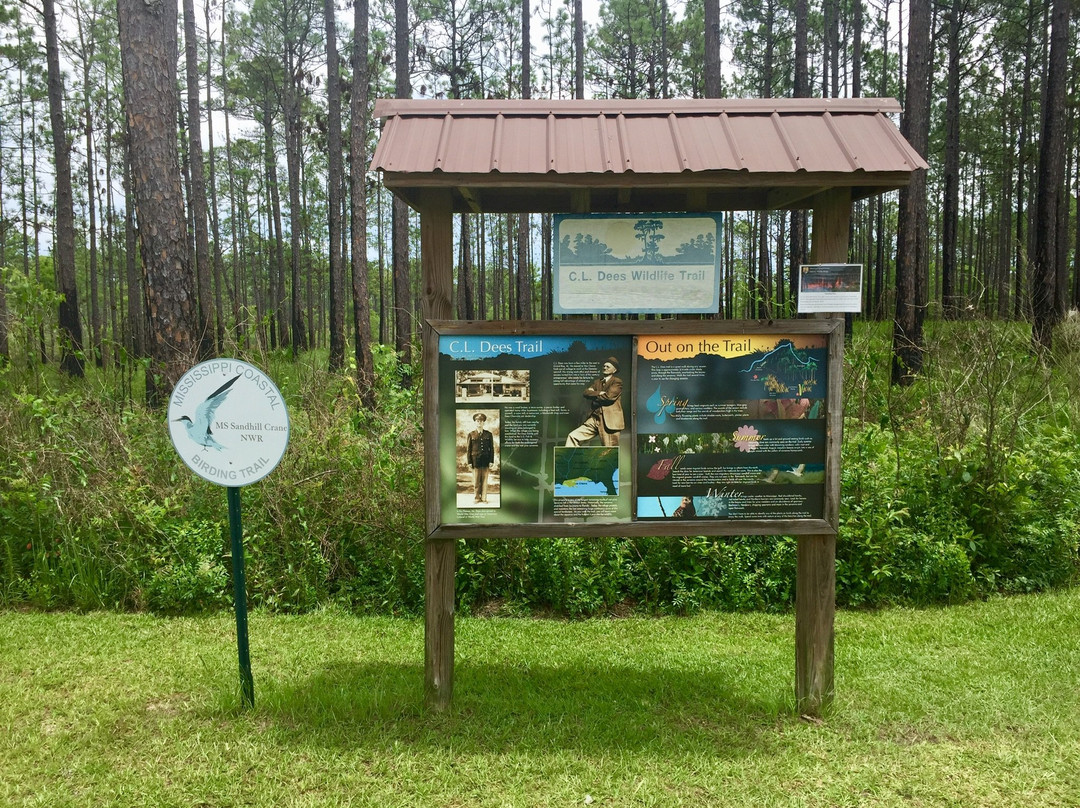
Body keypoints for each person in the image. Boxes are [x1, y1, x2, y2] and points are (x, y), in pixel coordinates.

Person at [565, 357, 625, 447]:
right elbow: (586, 393)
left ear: (614, 370)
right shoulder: (597, 382)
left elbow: (608, 397)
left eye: (608, 367)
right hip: (594, 418)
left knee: (609, 452)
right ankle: (569, 461)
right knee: (573, 437)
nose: (605, 368)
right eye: (604, 366)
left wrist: (594, 395)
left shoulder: (617, 382)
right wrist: (600, 393)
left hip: (609, 421)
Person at [466, 413, 495, 503]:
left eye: (481, 421)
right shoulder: (471, 434)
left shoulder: (488, 434)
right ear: (475, 422)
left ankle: (484, 498)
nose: (479, 423)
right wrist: (469, 462)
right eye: (477, 421)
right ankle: (476, 498)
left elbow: (492, 448)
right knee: (476, 481)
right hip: (475, 461)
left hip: (486, 460)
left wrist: (491, 460)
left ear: (484, 423)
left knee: (485, 481)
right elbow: (468, 449)